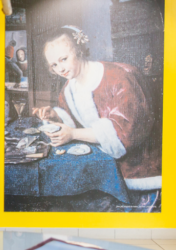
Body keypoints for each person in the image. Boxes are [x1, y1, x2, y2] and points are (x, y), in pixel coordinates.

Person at [33, 25, 160, 200]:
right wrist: (55, 116)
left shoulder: (120, 76)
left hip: (139, 171)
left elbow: (125, 134)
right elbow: (73, 121)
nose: (60, 69)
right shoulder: (69, 89)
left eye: (63, 59)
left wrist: (73, 133)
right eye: (54, 65)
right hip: (106, 171)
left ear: (79, 50)